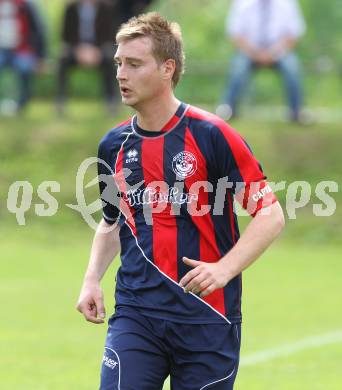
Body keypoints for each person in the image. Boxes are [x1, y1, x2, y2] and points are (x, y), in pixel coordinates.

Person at [76, 12, 285, 390]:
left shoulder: (213, 135)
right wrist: (92, 279)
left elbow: (270, 214)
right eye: (119, 63)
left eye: (134, 64)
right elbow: (112, 221)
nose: (121, 74)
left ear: (167, 68)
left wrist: (223, 269)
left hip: (208, 318)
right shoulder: (113, 145)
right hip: (137, 315)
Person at [223, 0, 306, 122]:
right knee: (238, 69)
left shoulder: (288, 3)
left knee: (292, 68)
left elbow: (294, 33)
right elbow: (235, 34)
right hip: (249, 50)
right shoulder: (241, 3)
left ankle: (296, 111)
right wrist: (256, 53)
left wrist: (273, 52)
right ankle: (228, 109)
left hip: (279, 50)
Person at [56, 0, 120, 114]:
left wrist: (96, 51)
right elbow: (65, 35)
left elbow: (111, 34)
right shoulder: (71, 8)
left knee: (110, 59)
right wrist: (79, 50)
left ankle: (111, 101)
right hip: (77, 48)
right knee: (63, 59)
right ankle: (61, 101)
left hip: (99, 49)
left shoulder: (107, 8)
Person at [0, 0, 46, 113]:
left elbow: (40, 30)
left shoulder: (27, 5)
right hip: (2, 49)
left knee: (24, 66)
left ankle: (22, 103)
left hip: (22, 49)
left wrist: (41, 57)